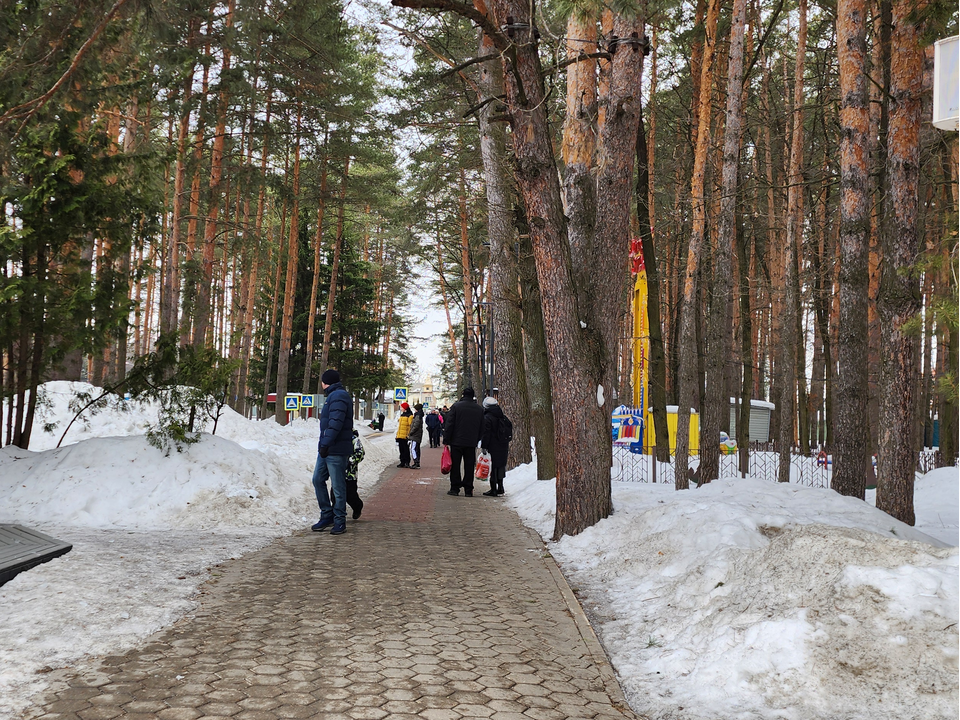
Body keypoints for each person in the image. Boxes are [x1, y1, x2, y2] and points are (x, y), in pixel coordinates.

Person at [311, 369, 353, 535]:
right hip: (327, 448)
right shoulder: (333, 396)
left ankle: (339, 519)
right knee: (317, 479)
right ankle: (327, 514)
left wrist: (326, 443)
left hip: (335, 449)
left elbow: (335, 423)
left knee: (337, 486)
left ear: (325, 382)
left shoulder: (338, 396)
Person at [442, 387, 484, 497]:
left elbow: (449, 424)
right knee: (469, 466)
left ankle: (455, 488)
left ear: (463, 395)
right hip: (471, 442)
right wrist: (477, 438)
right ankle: (468, 489)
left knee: (455, 465)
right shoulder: (479, 409)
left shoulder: (456, 407)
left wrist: (446, 439)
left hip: (456, 442)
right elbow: (482, 427)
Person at [480, 396, 511, 496]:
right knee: (500, 466)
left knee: (492, 467)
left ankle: (493, 488)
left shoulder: (487, 418)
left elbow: (486, 433)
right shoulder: (502, 416)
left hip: (493, 446)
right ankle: (500, 487)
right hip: (503, 445)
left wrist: (484, 446)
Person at [331, 429, 365, 519]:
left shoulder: (353, 439)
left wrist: (350, 461)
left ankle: (357, 506)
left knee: (350, 495)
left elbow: (360, 453)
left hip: (350, 475)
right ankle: (336, 514)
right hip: (337, 473)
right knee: (334, 495)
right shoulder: (335, 438)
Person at [396, 402, 413, 468]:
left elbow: (410, 426)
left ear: (405, 408)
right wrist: (397, 435)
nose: (401, 408)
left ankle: (407, 462)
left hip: (405, 435)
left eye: (402, 407)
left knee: (406, 449)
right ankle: (402, 461)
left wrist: (409, 435)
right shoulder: (402, 415)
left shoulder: (410, 416)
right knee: (401, 449)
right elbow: (400, 426)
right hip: (400, 435)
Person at [407, 403, 424, 469]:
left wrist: (411, 432)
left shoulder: (417, 416)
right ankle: (417, 462)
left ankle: (416, 462)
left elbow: (416, 425)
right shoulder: (419, 415)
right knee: (416, 448)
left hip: (415, 435)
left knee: (413, 449)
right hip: (417, 435)